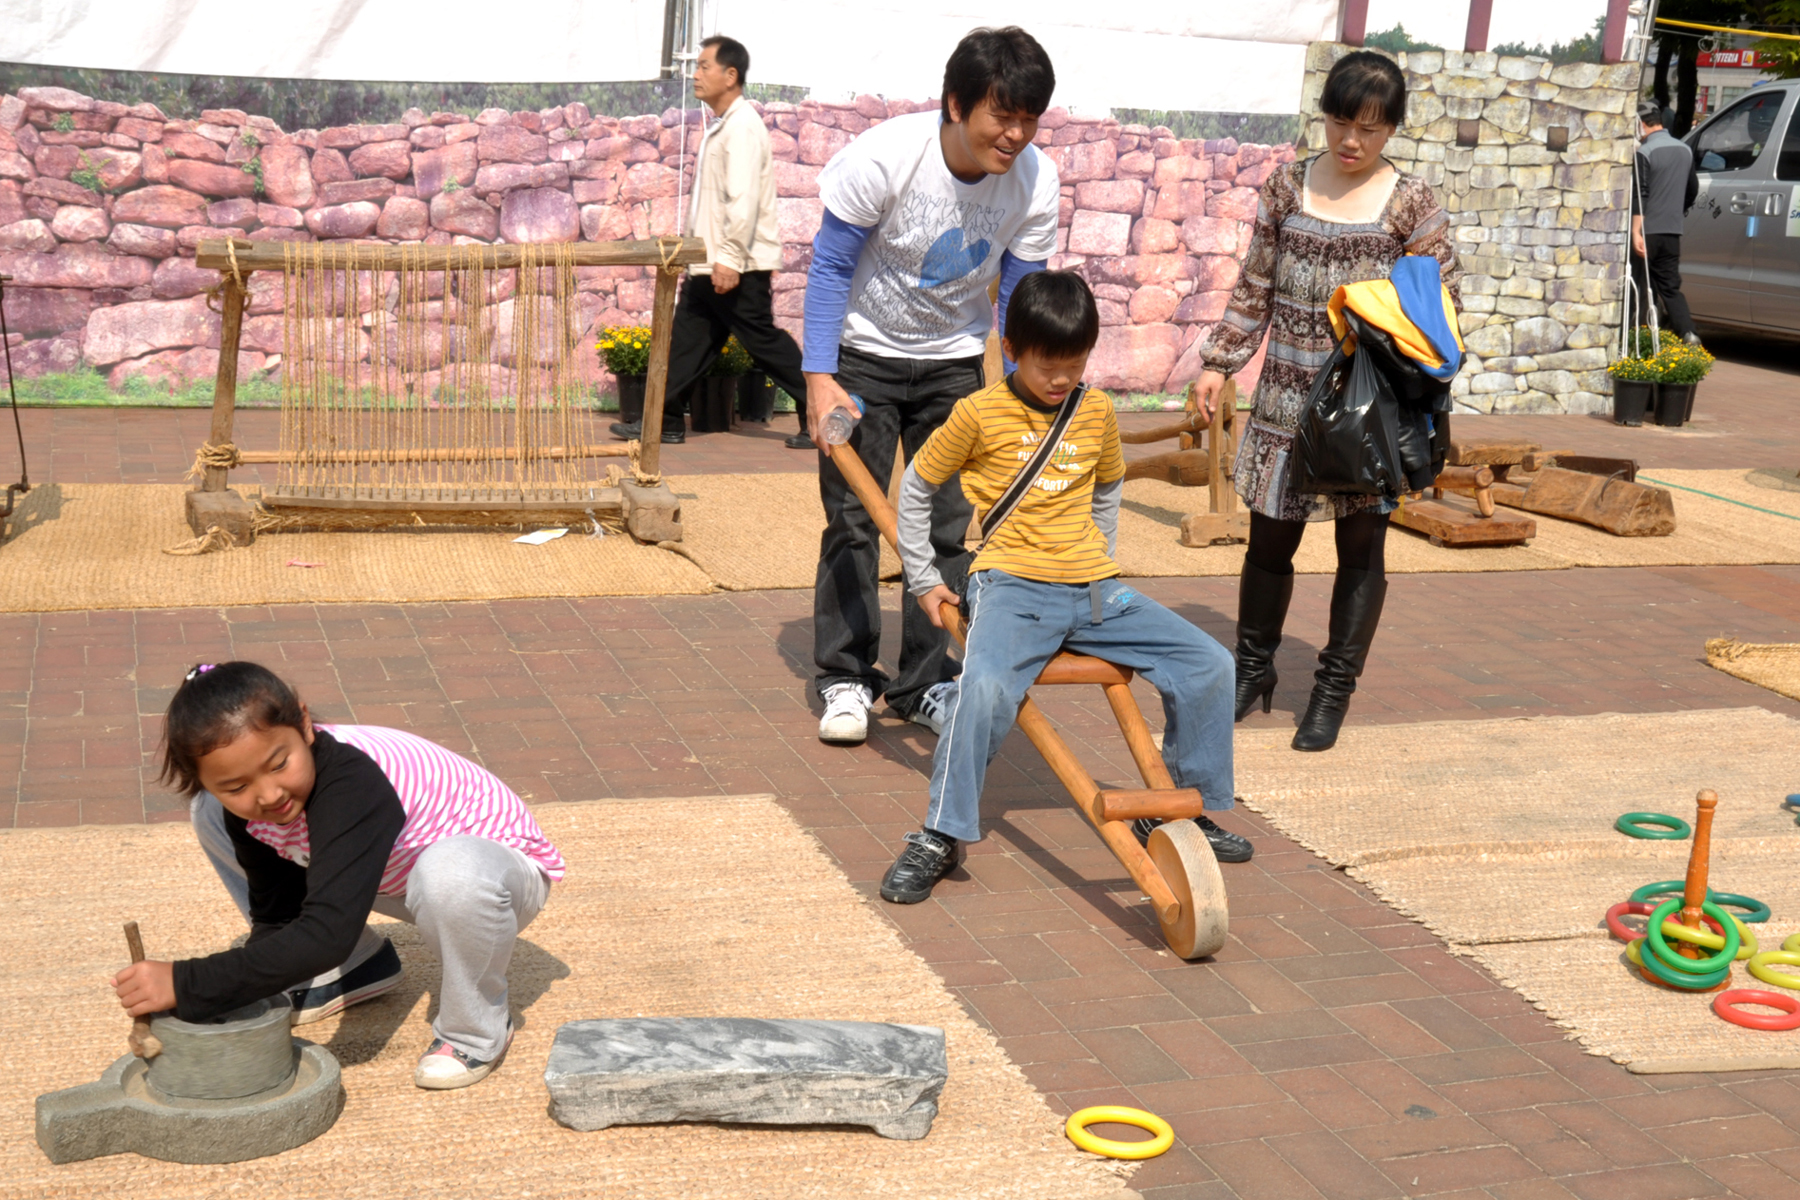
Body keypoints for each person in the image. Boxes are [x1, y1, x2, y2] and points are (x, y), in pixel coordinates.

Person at [878, 271, 1249, 904]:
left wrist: (1099, 556)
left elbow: (1107, 488)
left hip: (1095, 589)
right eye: (1048, 365)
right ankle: (941, 833)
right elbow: (914, 488)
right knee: (985, 688)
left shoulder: (1096, 409)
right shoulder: (978, 413)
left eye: (1073, 365)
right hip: (1011, 584)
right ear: (1014, 349)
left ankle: (1181, 808)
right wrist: (923, 579)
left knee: (1209, 662)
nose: (1060, 379)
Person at [111, 661, 564, 1091]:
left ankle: (475, 1030)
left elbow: (326, 933)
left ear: (305, 725)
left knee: (447, 873)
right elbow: (278, 913)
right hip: (395, 875)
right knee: (210, 812)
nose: (268, 793)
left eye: (278, 764)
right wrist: (246, 984)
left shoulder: (352, 782)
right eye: (236, 785)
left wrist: (188, 982)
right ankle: (356, 967)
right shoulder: (248, 800)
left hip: (494, 879)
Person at [1194, 50, 1459, 753]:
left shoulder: (1412, 204)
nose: (1351, 141)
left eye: (1370, 129)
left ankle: (1332, 692)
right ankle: (1253, 673)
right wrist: (1220, 363)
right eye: (1341, 122)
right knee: (1268, 541)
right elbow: (1254, 286)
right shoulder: (1286, 186)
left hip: (1366, 411)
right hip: (1284, 398)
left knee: (1360, 549)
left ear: (1392, 130)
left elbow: (1441, 310)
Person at [805, 25, 1061, 745]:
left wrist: (1016, 393)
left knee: (945, 522)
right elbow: (828, 269)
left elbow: (1018, 290)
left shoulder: (1036, 180)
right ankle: (845, 678)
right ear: (956, 103)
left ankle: (922, 684)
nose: (1015, 133)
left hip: (954, 363)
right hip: (862, 357)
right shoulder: (885, 157)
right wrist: (819, 378)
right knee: (854, 522)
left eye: (1028, 117)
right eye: (1001, 114)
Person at [610, 34, 809, 447]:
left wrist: (729, 260)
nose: (696, 74)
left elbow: (742, 200)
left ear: (730, 75)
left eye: (704, 66)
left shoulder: (743, 128)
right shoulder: (725, 126)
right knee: (686, 342)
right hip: (710, 262)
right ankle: (663, 419)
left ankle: (824, 409)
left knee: (763, 343)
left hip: (736, 266)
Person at [1631, 101, 1701, 346]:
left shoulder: (1644, 153)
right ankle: (1688, 333)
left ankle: (1636, 340)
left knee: (1640, 286)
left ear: (1641, 124)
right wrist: (1676, 211)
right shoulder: (1684, 150)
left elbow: (1641, 194)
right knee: (1670, 287)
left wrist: (1635, 231)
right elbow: (1693, 190)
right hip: (1672, 230)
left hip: (1647, 231)